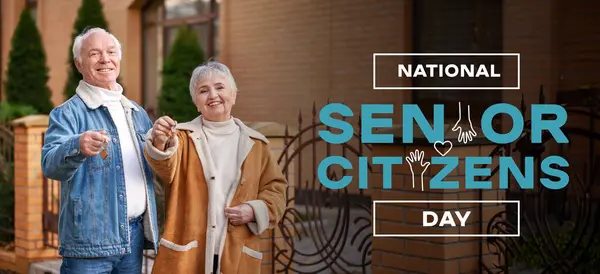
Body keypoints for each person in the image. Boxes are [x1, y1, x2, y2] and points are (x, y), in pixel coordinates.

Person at [143, 61, 287, 274]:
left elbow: (276, 191)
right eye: (203, 90)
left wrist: (253, 210)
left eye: (220, 87)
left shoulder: (257, 145)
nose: (213, 95)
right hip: (188, 254)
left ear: (234, 95)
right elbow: (165, 167)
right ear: (196, 102)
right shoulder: (181, 139)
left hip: (237, 253)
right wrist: (160, 141)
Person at [41, 27, 159, 273]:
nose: (105, 59)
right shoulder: (67, 114)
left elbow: (152, 171)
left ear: (119, 58)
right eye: (95, 53)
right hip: (88, 243)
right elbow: (50, 165)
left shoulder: (137, 113)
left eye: (111, 51)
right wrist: (77, 145)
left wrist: (163, 145)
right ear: (79, 63)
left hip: (133, 236)